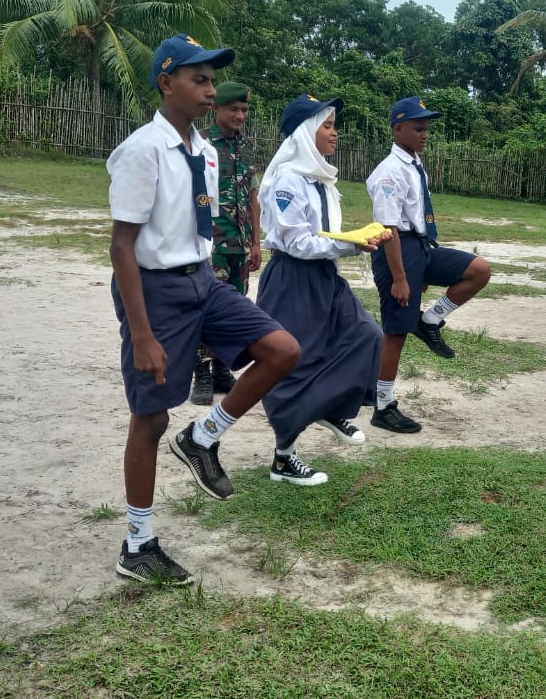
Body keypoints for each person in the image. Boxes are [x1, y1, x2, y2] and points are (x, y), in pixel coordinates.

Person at [107, 33, 300, 584]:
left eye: (214, 80)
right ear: (167, 83)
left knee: (281, 350)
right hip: (154, 289)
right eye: (200, 79)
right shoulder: (143, 150)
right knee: (150, 416)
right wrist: (143, 334)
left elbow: (200, 225)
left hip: (204, 279)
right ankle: (138, 543)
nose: (211, 90)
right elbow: (123, 246)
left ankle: (204, 437)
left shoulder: (207, 153)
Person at [254, 94, 391, 484]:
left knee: (366, 335)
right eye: (327, 126)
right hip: (293, 279)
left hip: (324, 276)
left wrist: (354, 239)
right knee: (295, 364)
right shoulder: (287, 181)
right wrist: (351, 244)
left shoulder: (322, 181)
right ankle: (284, 458)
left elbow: (325, 234)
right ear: (304, 133)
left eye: (333, 125)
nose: (335, 133)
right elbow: (297, 243)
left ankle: (330, 407)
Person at [365, 96, 491, 434]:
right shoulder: (390, 172)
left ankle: (431, 320)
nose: (425, 134)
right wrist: (401, 278)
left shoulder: (413, 162)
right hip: (397, 251)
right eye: (418, 128)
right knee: (395, 334)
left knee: (478, 269)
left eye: (427, 128)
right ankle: (383, 405)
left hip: (420, 246)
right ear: (398, 128)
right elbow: (388, 229)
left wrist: (423, 265)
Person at [190, 81, 262, 405]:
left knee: (233, 307)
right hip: (211, 243)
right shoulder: (201, 143)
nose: (240, 115)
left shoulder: (248, 146)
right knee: (205, 307)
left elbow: (253, 198)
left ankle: (221, 368)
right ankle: (201, 373)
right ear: (217, 108)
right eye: (233, 108)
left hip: (241, 244)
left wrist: (256, 242)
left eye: (244, 110)